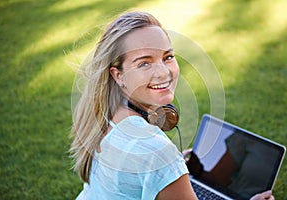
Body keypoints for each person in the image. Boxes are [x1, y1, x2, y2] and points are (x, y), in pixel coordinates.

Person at [70, 11, 275, 200]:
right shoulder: (157, 153)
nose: (163, 73)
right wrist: (167, 165)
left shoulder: (107, 113)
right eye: (144, 63)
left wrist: (171, 171)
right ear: (118, 75)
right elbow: (153, 156)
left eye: (167, 57)